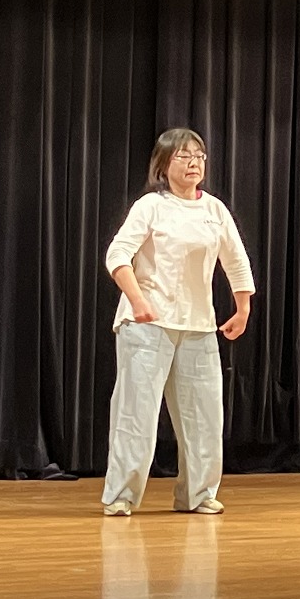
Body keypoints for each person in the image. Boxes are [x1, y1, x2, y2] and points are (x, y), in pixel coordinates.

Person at [101, 127, 255, 517]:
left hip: (198, 326)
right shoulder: (151, 206)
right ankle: (120, 496)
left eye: (198, 156)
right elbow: (118, 255)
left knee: (204, 418)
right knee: (136, 415)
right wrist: (138, 300)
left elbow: (236, 260)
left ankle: (198, 495)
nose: (193, 163)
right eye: (183, 156)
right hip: (146, 325)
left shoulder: (214, 210)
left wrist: (242, 308)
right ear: (163, 164)